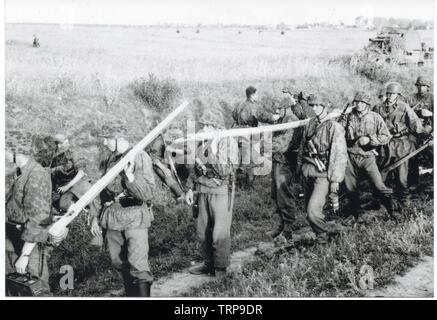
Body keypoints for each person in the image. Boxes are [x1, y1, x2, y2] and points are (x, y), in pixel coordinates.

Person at [96, 129, 156, 297]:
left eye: (107, 139)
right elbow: (104, 188)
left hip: (134, 216)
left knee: (138, 264)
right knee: (118, 262)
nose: (104, 143)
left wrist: (130, 177)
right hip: (114, 218)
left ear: (118, 138)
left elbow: (147, 193)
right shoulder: (110, 159)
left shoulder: (140, 156)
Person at [5, 138, 67, 296]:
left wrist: (25, 255)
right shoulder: (22, 172)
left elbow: (38, 220)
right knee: (15, 288)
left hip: (29, 243)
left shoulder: (36, 175)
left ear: (15, 152)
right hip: (13, 237)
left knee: (36, 290)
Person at [185, 107, 239, 277]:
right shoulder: (202, 140)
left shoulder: (228, 142)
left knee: (219, 232)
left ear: (217, 127)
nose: (204, 129)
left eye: (208, 126)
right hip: (203, 189)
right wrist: (189, 188)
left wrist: (214, 151)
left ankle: (220, 269)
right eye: (204, 125)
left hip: (221, 190)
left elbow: (224, 170)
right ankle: (208, 264)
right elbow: (194, 166)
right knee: (203, 231)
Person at [338, 92, 398, 222]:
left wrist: (371, 139)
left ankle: (392, 211)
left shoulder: (375, 117)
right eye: (357, 102)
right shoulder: (348, 117)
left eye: (362, 102)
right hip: (350, 156)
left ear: (367, 104)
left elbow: (386, 136)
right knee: (350, 187)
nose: (359, 105)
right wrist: (342, 118)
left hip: (368, 156)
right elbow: (338, 131)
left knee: (378, 185)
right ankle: (354, 214)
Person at [297, 94, 348, 244]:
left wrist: (335, 179)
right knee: (308, 210)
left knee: (312, 211)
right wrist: (298, 169)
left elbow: (339, 154)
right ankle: (322, 234)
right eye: (312, 106)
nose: (314, 109)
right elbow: (302, 147)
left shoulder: (334, 126)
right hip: (308, 169)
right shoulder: (310, 124)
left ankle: (323, 236)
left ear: (325, 107)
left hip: (323, 172)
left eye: (318, 105)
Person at [374, 82, 426, 209]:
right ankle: (380, 200)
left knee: (402, 177)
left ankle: (404, 199)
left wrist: (423, 135)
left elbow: (415, 124)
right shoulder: (378, 108)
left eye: (393, 94)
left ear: (398, 95)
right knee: (381, 175)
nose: (390, 96)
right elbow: (371, 123)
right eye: (389, 93)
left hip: (401, 145)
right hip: (384, 146)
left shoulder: (404, 107)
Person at [266, 93, 304, 239]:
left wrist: (263, 145)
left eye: (279, 108)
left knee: (284, 194)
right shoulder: (282, 120)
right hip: (277, 160)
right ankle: (281, 224)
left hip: (286, 162)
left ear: (286, 107)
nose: (276, 111)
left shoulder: (291, 121)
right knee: (275, 194)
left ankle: (288, 227)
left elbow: (283, 144)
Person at [232, 86, 280, 188]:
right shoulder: (253, 106)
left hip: (236, 132)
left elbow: (233, 115)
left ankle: (234, 181)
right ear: (252, 95)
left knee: (237, 156)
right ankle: (248, 185)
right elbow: (263, 116)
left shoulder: (240, 104)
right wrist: (274, 117)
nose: (258, 96)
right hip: (249, 133)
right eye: (257, 94)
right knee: (252, 159)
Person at [50, 134, 100, 221]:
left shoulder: (74, 152)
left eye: (62, 143)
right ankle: (79, 213)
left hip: (78, 182)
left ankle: (94, 217)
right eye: (57, 143)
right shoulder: (57, 157)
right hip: (68, 187)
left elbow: (81, 173)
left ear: (67, 141)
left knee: (90, 197)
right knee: (63, 205)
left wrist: (67, 186)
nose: (59, 146)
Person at [407, 76, 434, 189]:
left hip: (430, 130)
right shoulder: (411, 98)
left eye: (423, 86)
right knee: (411, 153)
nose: (421, 88)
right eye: (419, 85)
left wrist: (431, 114)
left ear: (427, 87)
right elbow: (405, 113)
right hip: (414, 130)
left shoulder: (433, 98)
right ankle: (413, 181)